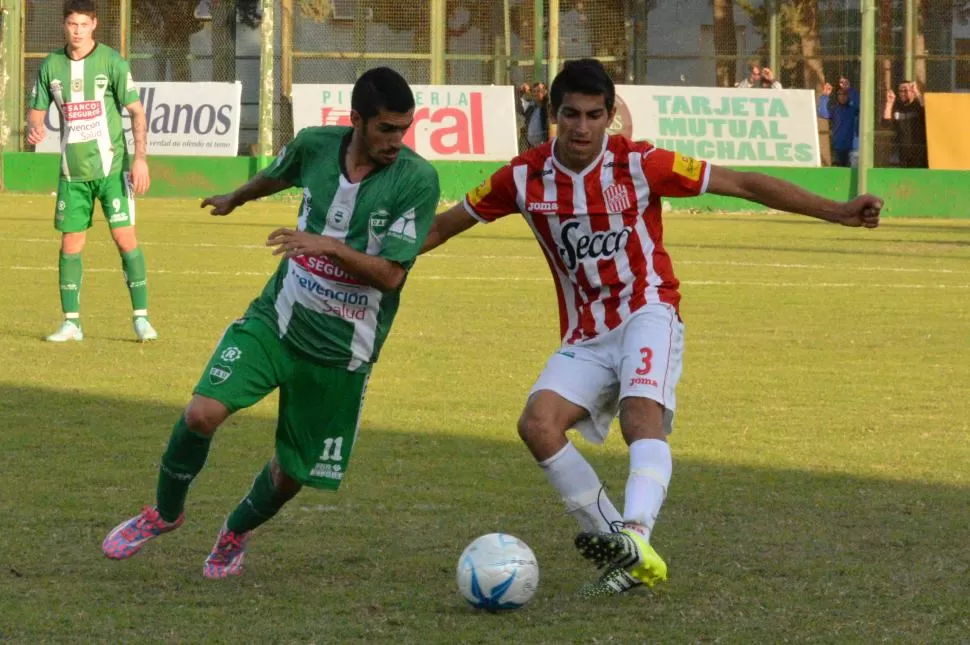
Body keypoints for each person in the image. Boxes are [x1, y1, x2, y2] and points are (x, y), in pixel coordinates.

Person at [420, 58, 881, 599]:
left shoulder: (641, 165)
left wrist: (838, 211)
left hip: (648, 309)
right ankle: (622, 545)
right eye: (571, 114)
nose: (582, 127)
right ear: (553, 113)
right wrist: (358, 254)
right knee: (537, 425)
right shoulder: (522, 177)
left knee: (643, 414)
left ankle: (636, 533)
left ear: (610, 116)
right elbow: (443, 226)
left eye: (594, 115)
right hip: (586, 333)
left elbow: (742, 182)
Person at [100, 67, 440, 578]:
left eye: (404, 129)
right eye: (387, 129)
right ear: (356, 121)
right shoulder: (316, 145)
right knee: (200, 414)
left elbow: (391, 275)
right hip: (277, 319)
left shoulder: (416, 179)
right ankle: (164, 513)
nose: (397, 140)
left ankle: (236, 529)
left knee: (291, 473)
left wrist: (326, 244)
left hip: (343, 350)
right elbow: (278, 174)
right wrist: (238, 196)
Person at [27, 0, 154, 342]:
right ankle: (71, 323)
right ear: (64, 25)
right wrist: (34, 128)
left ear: (94, 24)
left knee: (124, 238)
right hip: (72, 173)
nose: (78, 31)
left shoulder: (112, 61)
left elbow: (136, 112)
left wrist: (140, 158)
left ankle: (141, 318)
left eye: (84, 24)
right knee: (71, 244)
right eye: (72, 24)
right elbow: (36, 111)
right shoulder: (51, 66)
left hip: (112, 170)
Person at [883, 80, 928, 168]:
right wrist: (889, 103)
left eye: (908, 90)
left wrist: (917, 93)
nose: (905, 93)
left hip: (919, 152)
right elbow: (886, 124)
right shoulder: (896, 107)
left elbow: (927, 114)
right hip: (902, 152)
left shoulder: (918, 105)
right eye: (902, 91)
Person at [819, 82, 859, 167]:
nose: (841, 96)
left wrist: (849, 89)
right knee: (841, 171)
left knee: (853, 171)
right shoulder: (835, 109)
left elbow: (858, 103)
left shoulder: (853, 109)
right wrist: (825, 95)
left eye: (844, 94)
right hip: (839, 147)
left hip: (853, 148)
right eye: (839, 94)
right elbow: (823, 113)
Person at [525, 82, 550, 148]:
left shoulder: (547, 107)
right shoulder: (531, 106)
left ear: (545, 92)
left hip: (544, 145)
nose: (537, 93)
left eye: (539, 91)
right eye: (534, 91)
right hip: (532, 146)